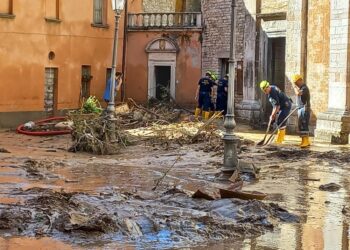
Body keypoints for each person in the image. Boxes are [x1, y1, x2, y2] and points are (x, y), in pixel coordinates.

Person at [291, 74, 311, 148]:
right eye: (295, 83)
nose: (296, 84)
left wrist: (294, 87)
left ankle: (305, 141)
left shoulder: (304, 88)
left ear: (300, 80)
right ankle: (305, 141)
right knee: (301, 125)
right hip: (301, 108)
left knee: (303, 125)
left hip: (304, 108)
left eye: (296, 82)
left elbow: (298, 93)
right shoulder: (301, 87)